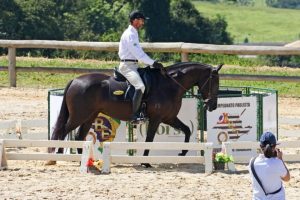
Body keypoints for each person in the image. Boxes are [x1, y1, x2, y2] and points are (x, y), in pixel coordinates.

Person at [118, 10, 164, 123]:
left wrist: (151, 63)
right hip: (127, 66)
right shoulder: (130, 34)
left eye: (143, 21)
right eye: (141, 20)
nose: (142, 23)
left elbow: (139, 53)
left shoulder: (134, 33)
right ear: (134, 20)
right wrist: (152, 63)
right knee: (140, 87)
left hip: (133, 64)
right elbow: (138, 54)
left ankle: (143, 108)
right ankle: (134, 115)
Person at [249, 132, 290, 200]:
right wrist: (280, 159)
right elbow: (287, 178)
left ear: (260, 146)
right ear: (274, 147)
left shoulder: (252, 162)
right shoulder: (277, 163)